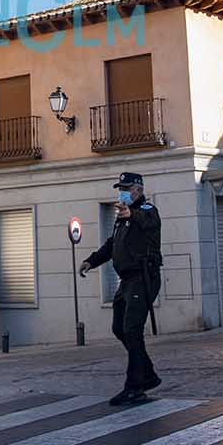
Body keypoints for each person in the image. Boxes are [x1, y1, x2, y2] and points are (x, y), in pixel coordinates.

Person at [79, 172, 162, 405]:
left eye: (125, 188)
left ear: (138, 189)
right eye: (120, 188)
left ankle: (135, 387)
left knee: (132, 330)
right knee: (119, 328)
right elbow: (111, 245)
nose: (121, 192)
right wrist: (91, 261)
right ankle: (148, 374)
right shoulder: (121, 218)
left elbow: (149, 221)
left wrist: (132, 214)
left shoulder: (147, 210)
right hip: (125, 281)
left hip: (143, 278)